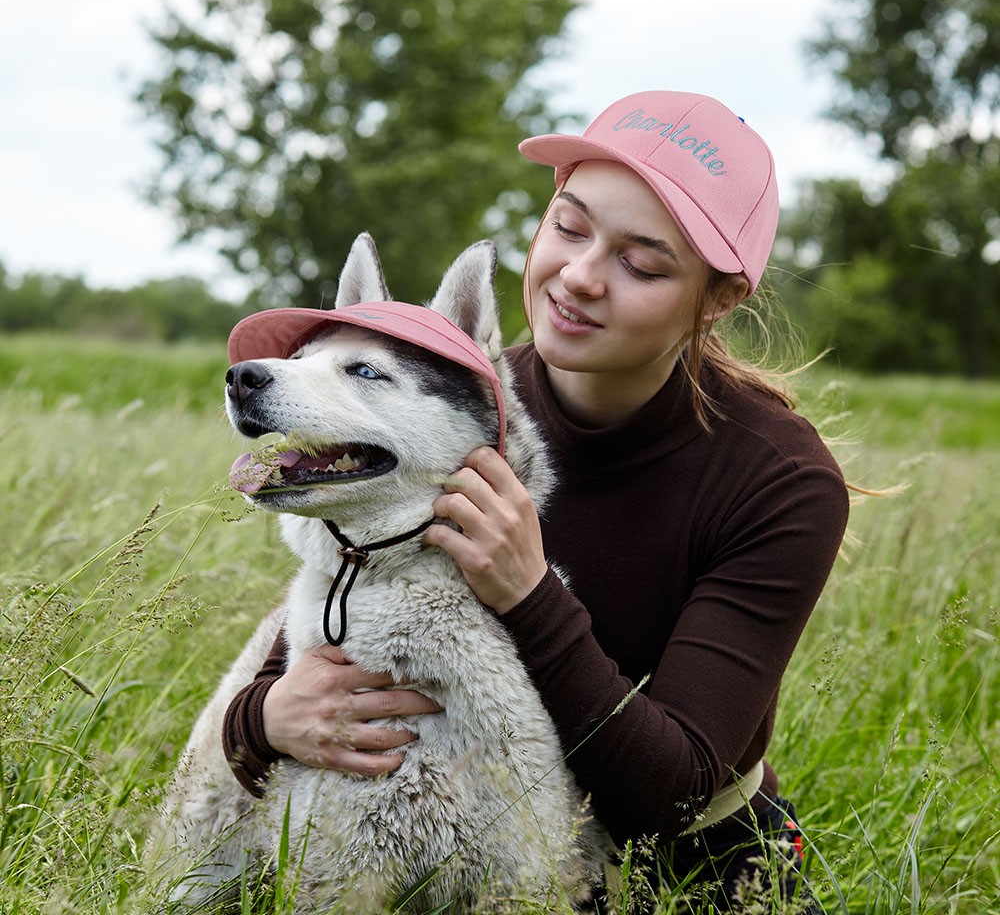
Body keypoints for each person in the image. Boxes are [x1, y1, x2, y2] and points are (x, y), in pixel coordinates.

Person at [221, 91, 849, 910]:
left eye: (643, 263)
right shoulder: (446, 406)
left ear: (720, 297)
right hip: (451, 861)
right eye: (570, 226)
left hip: (692, 877)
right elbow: (309, 656)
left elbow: (676, 794)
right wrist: (265, 720)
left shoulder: (778, 481)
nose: (580, 277)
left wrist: (527, 591)